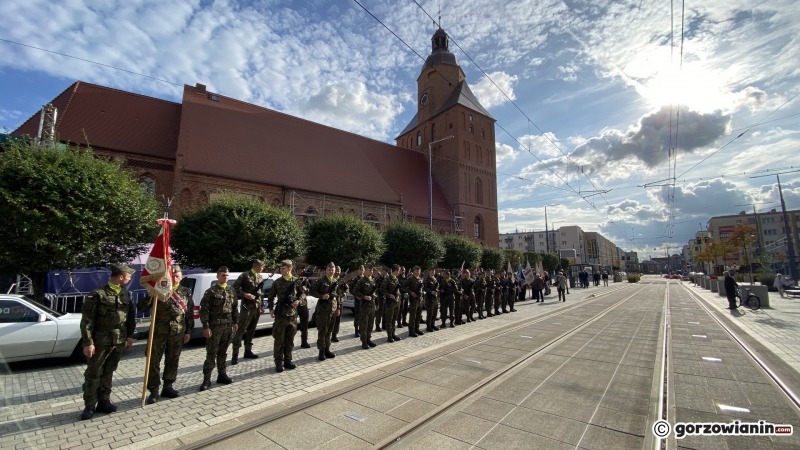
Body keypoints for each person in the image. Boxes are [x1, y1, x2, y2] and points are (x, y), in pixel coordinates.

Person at [79, 264, 136, 420]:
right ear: (121, 276)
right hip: (100, 340)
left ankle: (104, 401)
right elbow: (87, 321)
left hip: (118, 339)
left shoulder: (125, 293)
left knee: (108, 371)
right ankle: (90, 405)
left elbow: (130, 316)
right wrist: (88, 342)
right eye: (129, 276)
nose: (130, 278)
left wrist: (130, 336)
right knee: (93, 373)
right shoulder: (98, 294)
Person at [137, 265, 194, 405]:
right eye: (172, 276)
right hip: (158, 332)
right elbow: (141, 307)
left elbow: (189, 313)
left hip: (177, 332)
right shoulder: (159, 290)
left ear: (181, 277)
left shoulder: (185, 291)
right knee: (153, 361)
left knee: (173, 360)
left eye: (177, 276)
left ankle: (168, 386)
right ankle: (154, 390)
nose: (174, 278)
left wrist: (188, 331)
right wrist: (151, 294)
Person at [199, 266, 239, 390]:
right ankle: (206, 379)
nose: (225, 277)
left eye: (227, 275)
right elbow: (204, 311)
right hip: (215, 327)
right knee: (211, 353)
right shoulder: (210, 292)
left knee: (223, 352)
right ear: (217, 277)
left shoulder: (231, 291)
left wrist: (236, 322)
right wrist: (206, 327)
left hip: (228, 326)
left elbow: (234, 308)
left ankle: (222, 374)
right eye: (223, 275)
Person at [266, 260, 303, 372]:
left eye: (283, 268)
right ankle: (278, 362)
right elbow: (270, 297)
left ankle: (288, 360)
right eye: (281, 268)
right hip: (280, 316)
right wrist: (271, 309)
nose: (281, 270)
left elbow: (302, 295)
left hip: (292, 316)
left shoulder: (297, 282)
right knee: (279, 340)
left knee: (290, 340)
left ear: (289, 269)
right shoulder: (277, 282)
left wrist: (298, 301)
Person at [231, 260, 264, 365]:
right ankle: (235, 354)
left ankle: (248, 351)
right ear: (255, 266)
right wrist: (245, 295)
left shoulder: (260, 277)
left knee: (252, 330)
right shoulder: (245, 275)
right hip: (247, 307)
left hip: (256, 307)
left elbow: (260, 293)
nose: (262, 269)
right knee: (241, 330)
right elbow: (234, 289)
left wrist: (262, 305)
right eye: (261, 267)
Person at [311, 262, 340, 361]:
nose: (331, 271)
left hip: (333, 310)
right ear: (326, 270)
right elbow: (312, 291)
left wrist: (338, 308)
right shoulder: (320, 280)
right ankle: (321, 351)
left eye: (333, 270)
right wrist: (322, 296)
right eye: (329, 269)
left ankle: (327, 349)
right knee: (323, 331)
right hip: (323, 310)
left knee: (329, 331)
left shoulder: (335, 281)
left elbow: (338, 296)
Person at [355, 265, 379, 349]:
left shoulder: (373, 280)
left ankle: (369, 339)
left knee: (370, 323)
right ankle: (364, 341)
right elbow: (355, 291)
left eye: (372, 270)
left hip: (372, 305)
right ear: (365, 271)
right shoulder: (361, 281)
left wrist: (377, 304)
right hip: (364, 305)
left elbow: (375, 293)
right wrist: (364, 296)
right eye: (369, 270)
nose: (371, 272)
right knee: (364, 324)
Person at [380, 264, 403, 342]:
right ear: (395, 270)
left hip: (396, 303)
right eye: (399, 270)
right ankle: (389, 335)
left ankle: (393, 333)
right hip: (389, 303)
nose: (399, 272)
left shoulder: (396, 279)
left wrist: (398, 298)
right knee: (389, 320)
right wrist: (389, 295)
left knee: (394, 319)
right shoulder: (387, 279)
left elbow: (398, 291)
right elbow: (382, 290)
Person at [402, 266, 425, 336]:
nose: (418, 272)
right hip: (413, 300)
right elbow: (403, 287)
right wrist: (411, 292)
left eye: (419, 271)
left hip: (419, 300)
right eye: (416, 271)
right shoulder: (410, 279)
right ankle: (411, 331)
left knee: (418, 316)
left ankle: (416, 329)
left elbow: (422, 290)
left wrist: (423, 298)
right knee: (413, 316)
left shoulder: (420, 279)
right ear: (413, 271)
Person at [295, 265, 311, 349]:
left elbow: (309, 289)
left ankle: (304, 342)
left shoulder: (305, 279)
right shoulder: (293, 279)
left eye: (304, 271)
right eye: (302, 270)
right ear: (297, 270)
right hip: (294, 304)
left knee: (304, 325)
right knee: (293, 325)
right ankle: (290, 342)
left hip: (303, 304)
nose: (303, 272)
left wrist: (306, 289)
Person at [330, 265, 348, 342]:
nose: (337, 272)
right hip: (332, 302)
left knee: (337, 320)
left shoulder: (342, 280)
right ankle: (328, 334)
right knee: (331, 320)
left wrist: (345, 294)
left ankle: (334, 335)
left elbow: (347, 288)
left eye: (339, 271)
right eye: (336, 270)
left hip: (340, 302)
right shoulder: (331, 280)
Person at [350, 267, 365, 337]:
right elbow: (351, 289)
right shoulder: (355, 279)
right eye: (360, 270)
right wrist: (356, 296)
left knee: (363, 315)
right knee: (357, 316)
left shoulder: (365, 279)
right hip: (358, 300)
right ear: (358, 271)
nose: (361, 271)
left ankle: (361, 329)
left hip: (364, 300)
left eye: (362, 270)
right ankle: (356, 330)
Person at [373, 266, 386, 332]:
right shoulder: (378, 279)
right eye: (385, 271)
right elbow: (376, 289)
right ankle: (377, 326)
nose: (386, 273)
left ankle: (384, 325)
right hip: (379, 297)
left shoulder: (386, 278)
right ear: (382, 271)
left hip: (385, 297)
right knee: (379, 313)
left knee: (385, 312)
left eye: (386, 272)